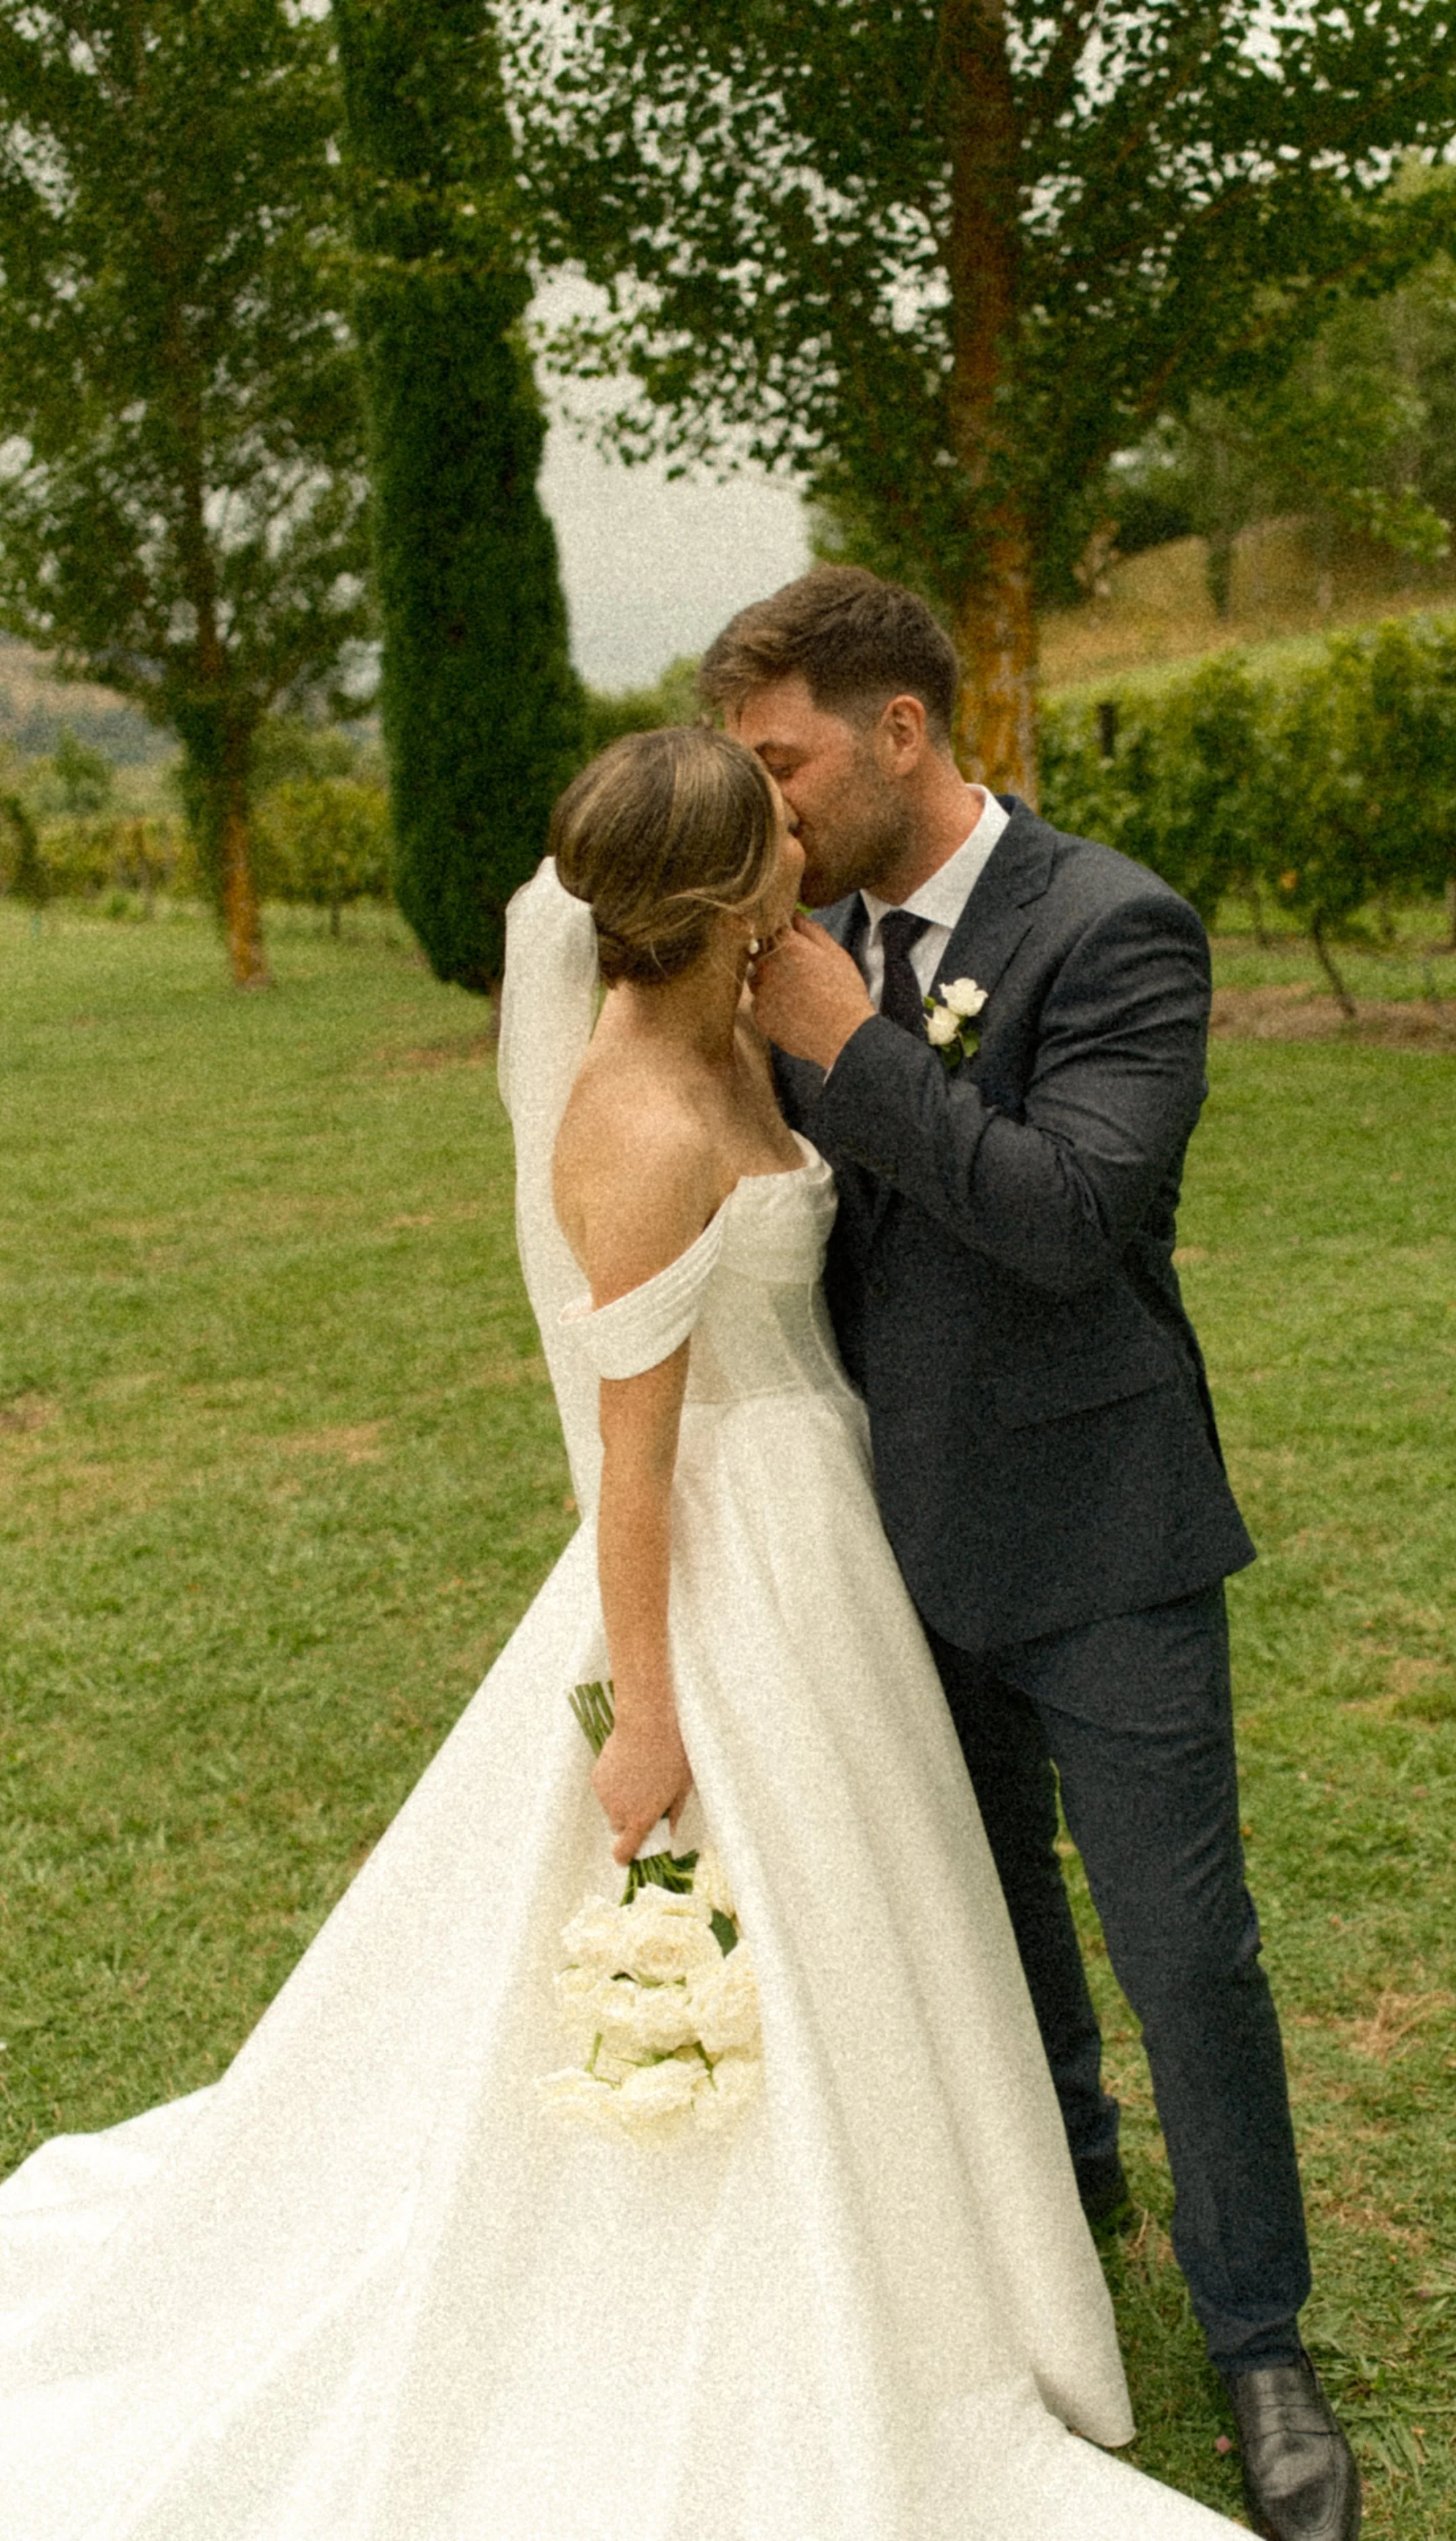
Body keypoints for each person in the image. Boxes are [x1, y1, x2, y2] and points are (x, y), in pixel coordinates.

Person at [0, 724, 1241, 2538]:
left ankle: (953, 2255)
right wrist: (645, 1714)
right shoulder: (638, 1115)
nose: (801, 852)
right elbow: (634, 1471)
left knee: (887, 1897)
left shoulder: (739, 1033)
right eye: (773, 843)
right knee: (780, 1904)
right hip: (727, 1559)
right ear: (732, 890)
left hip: (836, 1538)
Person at [701, 566, 1362, 2541]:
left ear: (900, 729)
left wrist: (854, 1038)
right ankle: (1051, 2216)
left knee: (1185, 1952)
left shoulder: (1112, 924)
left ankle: (1257, 2341)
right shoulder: (798, 929)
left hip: (1101, 1526)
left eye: (788, 760)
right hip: (885, 1542)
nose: (773, 806)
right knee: (984, 1929)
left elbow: (1072, 1215)